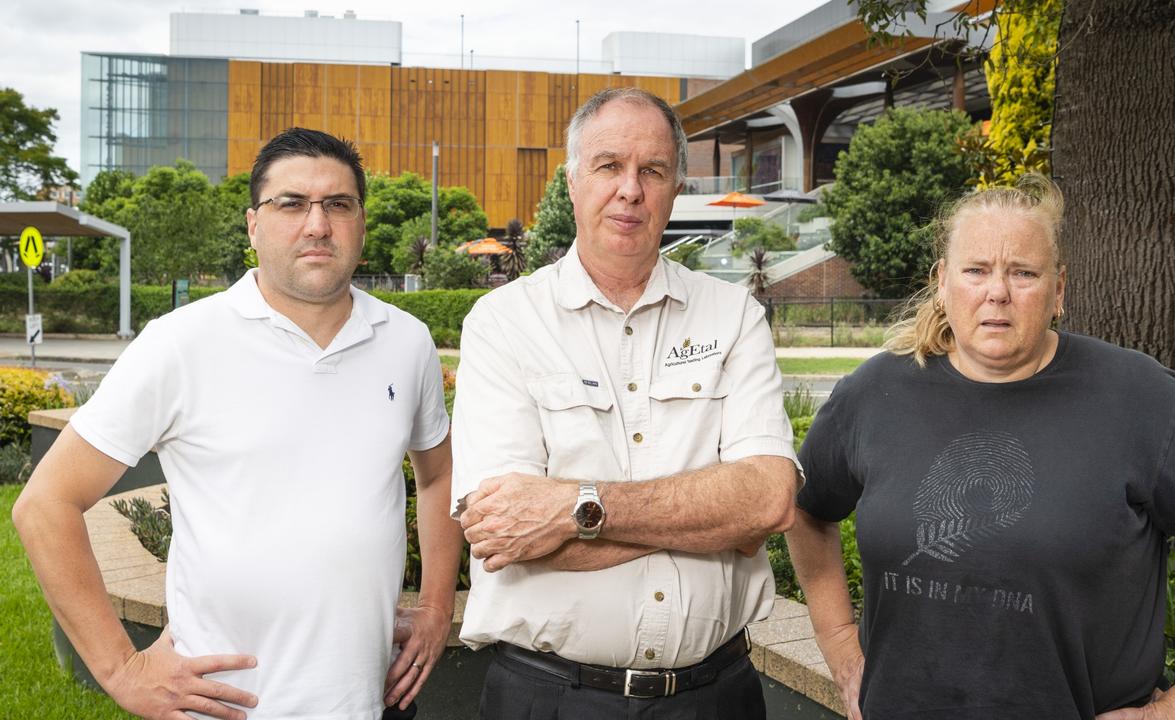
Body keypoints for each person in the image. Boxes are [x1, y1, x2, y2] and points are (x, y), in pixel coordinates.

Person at [785, 173, 1175, 719]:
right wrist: (839, 644)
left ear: (1058, 290)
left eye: (1023, 272)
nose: (997, 291)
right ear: (943, 282)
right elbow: (806, 513)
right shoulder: (874, 393)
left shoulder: (1137, 396)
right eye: (976, 270)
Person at [12, 128, 462, 720]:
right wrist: (122, 669)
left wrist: (433, 608)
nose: (317, 224)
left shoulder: (407, 342)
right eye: (292, 203)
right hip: (222, 707)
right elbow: (44, 505)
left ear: (361, 222)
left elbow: (438, 475)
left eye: (338, 204)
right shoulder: (181, 343)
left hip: (361, 701)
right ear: (254, 225)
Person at [450, 87, 801, 719]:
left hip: (715, 698)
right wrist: (710, 519)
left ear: (674, 188)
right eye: (609, 165)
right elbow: (502, 531)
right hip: (549, 697)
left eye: (653, 171)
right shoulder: (502, 323)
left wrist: (572, 508)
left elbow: (768, 501)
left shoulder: (734, 316)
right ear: (572, 181)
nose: (630, 189)